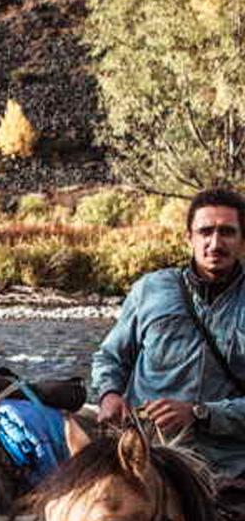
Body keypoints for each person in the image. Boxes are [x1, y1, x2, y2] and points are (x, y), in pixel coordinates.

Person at [92, 187, 245, 478]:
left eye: (227, 232)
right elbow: (110, 357)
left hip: (228, 466)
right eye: (205, 231)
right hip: (144, 456)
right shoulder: (151, 290)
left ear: (242, 240)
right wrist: (109, 394)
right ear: (189, 237)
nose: (214, 243)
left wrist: (202, 413)